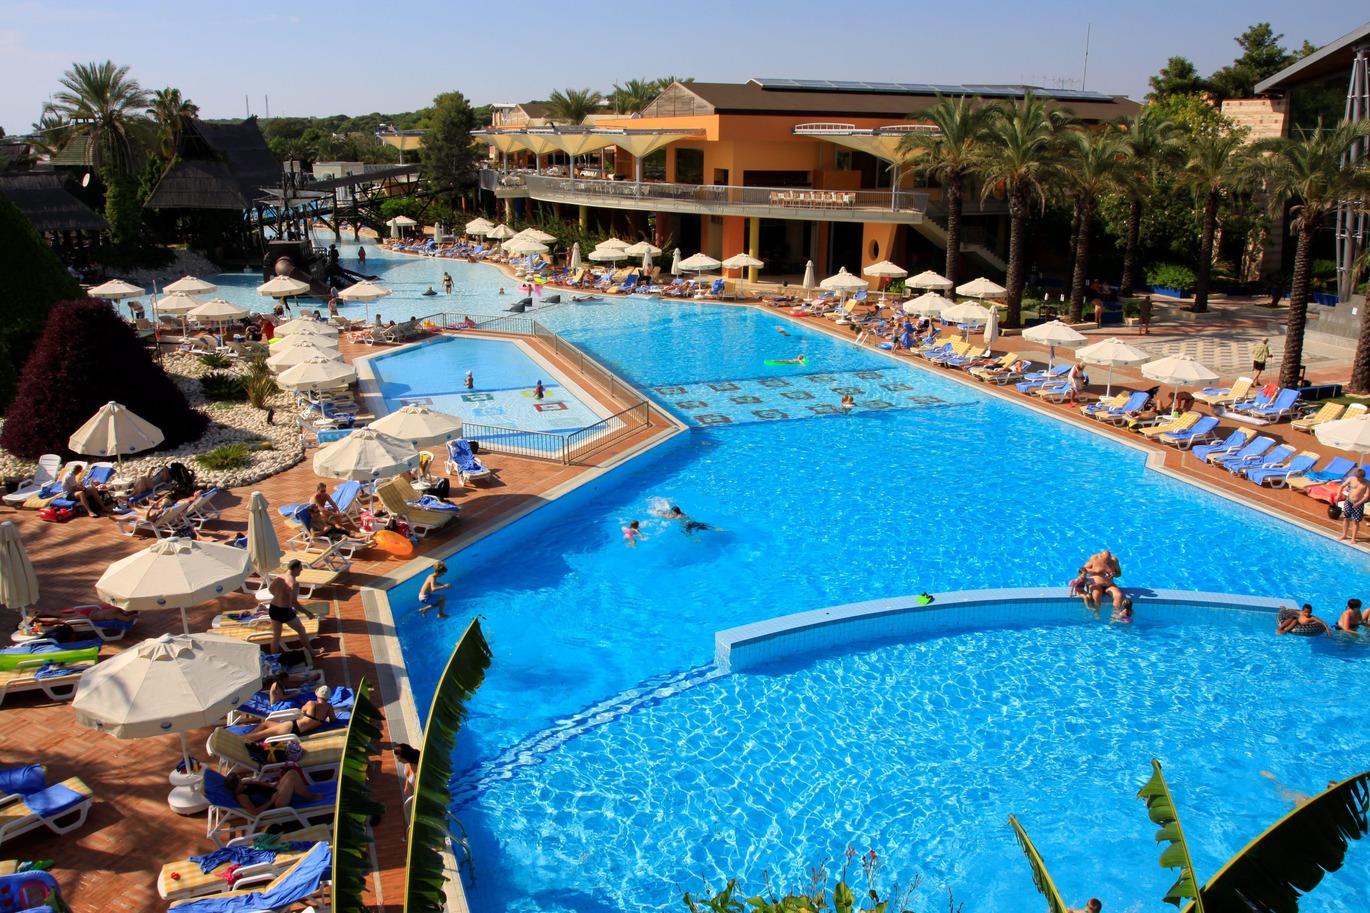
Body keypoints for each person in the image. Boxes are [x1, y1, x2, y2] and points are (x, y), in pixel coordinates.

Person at [239, 685, 336, 740]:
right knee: (266, 724)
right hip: (300, 731)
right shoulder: (329, 708)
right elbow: (333, 720)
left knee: (261, 735)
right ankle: (248, 736)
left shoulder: (311, 704)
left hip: (292, 727)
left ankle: (240, 741)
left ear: (317, 695)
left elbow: (302, 710)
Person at [267, 560, 321, 655]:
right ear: (295, 569)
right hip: (284, 611)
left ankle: (273, 658)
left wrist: (280, 595)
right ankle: (311, 652)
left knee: (276, 635)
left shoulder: (279, 577)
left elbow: (271, 590)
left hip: (273, 608)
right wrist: (307, 612)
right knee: (301, 630)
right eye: (300, 568)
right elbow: (294, 603)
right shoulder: (294, 583)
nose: (301, 570)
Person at [222, 768, 321, 816]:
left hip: (275, 792)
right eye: (239, 779)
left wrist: (271, 785)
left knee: (292, 773)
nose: (241, 779)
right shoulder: (242, 797)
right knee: (291, 779)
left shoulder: (244, 784)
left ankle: (306, 794)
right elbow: (254, 812)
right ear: (237, 784)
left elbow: (258, 783)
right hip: (275, 803)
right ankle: (309, 797)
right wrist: (270, 801)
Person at [1339, 467, 1368, 543]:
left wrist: (1359, 503)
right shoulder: (1351, 479)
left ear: (1363, 477)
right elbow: (1341, 486)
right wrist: (1338, 493)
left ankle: (1353, 538)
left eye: (1359, 478)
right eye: (1356, 477)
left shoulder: (1367, 483)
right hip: (1349, 501)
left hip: (1358, 504)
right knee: (1346, 518)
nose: (1357, 479)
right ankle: (1344, 535)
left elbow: (1367, 496)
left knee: (1356, 521)